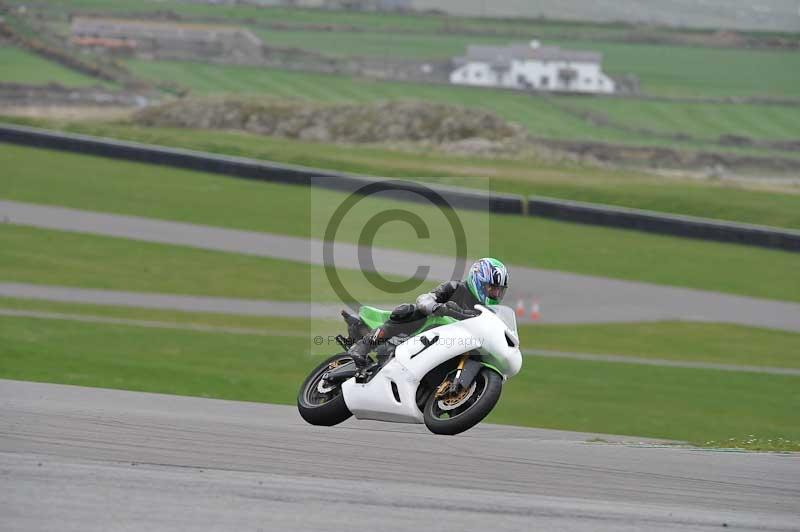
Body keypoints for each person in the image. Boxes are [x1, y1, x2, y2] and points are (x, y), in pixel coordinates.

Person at [346, 257, 509, 368]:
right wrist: (437, 307)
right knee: (409, 310)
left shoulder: (489, 313)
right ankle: (362, 347)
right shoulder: (455, 288)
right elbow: (425, 299)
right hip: (427, 332)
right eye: (492, 288)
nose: (495, 294)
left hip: (454, 344)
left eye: (499, 290)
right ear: (478, 280)